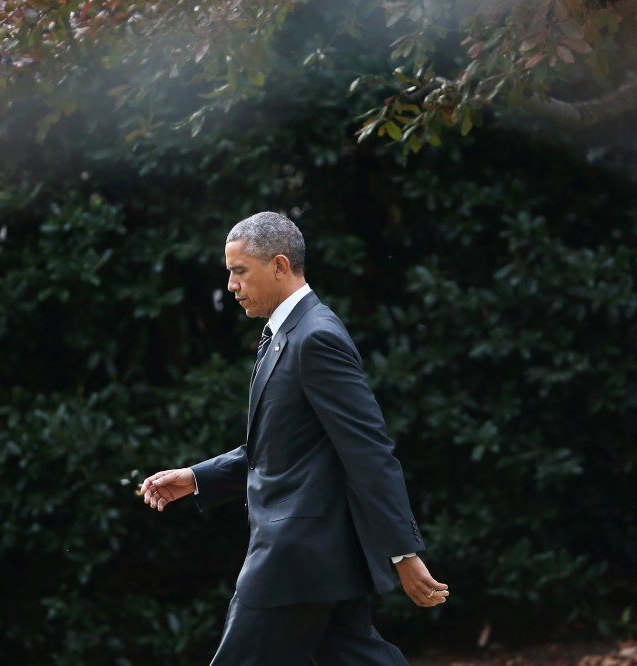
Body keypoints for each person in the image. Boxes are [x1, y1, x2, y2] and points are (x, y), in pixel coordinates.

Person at [140, 211, 448, 665]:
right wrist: (199, 477)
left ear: (280, 266)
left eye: (239, 271)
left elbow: (368, 451)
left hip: (294, 558)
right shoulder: (286, 335)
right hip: (318, 557)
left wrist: (402, 551)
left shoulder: (315, 337)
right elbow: (284, 447)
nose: (231, 286)